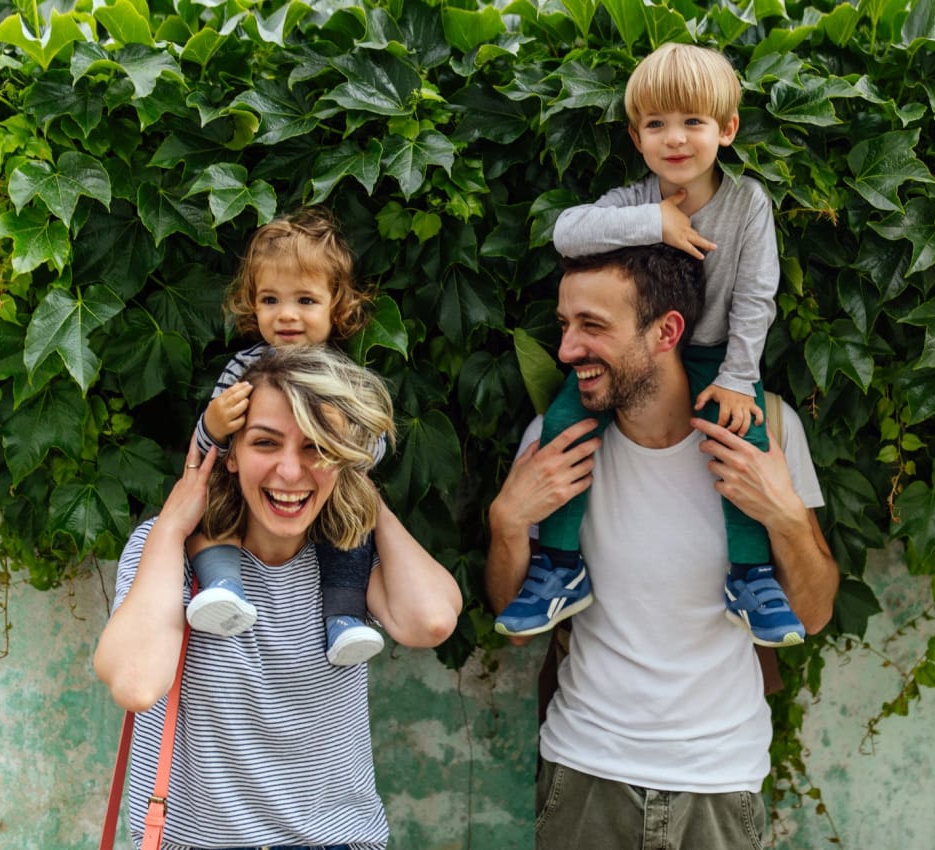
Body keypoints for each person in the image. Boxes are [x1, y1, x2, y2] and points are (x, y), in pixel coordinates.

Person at [485, 245, 840, 849]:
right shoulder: (555, 443)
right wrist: (506, 523)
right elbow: (518, 626)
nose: (568, 350)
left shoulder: (767, 431)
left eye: (592, 327)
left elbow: (811, 613)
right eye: (565, 326)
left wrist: (783, 516)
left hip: (721, 781)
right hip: (585, 772)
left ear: (666, 331)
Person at [94, 345, 462, 850]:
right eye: (266, 443)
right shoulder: (170, 550)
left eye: (316, 447)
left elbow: (433, 620)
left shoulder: (349, 554)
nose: (290, 472)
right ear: (231, 454)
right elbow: (136, 684)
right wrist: (173, 524)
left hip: (337, 840)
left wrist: (358, 489)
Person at [494, 43, 800, 648]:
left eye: (693, 122)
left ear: (727, 129)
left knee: (744, 439)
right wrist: (655, 224)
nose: (676, 139)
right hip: (638, 353)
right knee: (563, 422)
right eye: (656, 125)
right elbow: (567, 232)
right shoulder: (635, 201)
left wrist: (740, 377)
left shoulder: (747, 203)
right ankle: (558, 565)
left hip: (716, 355)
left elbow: (757, 295)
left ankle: (753, 575)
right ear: (637, 138)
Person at [187, 207, 390, 666]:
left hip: (324, 496)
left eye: (305, 301)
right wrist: (215, 425)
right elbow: (204, 450)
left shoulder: (343, 377)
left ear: (336, 306)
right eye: (270, 300)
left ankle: (343, 619)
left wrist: (347, 442)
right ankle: (223, 586)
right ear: (251, 304)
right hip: (251, 502)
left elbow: (375, 448)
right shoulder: (242, 370)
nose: (286, 316)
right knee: (209, 502)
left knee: (355, 520)